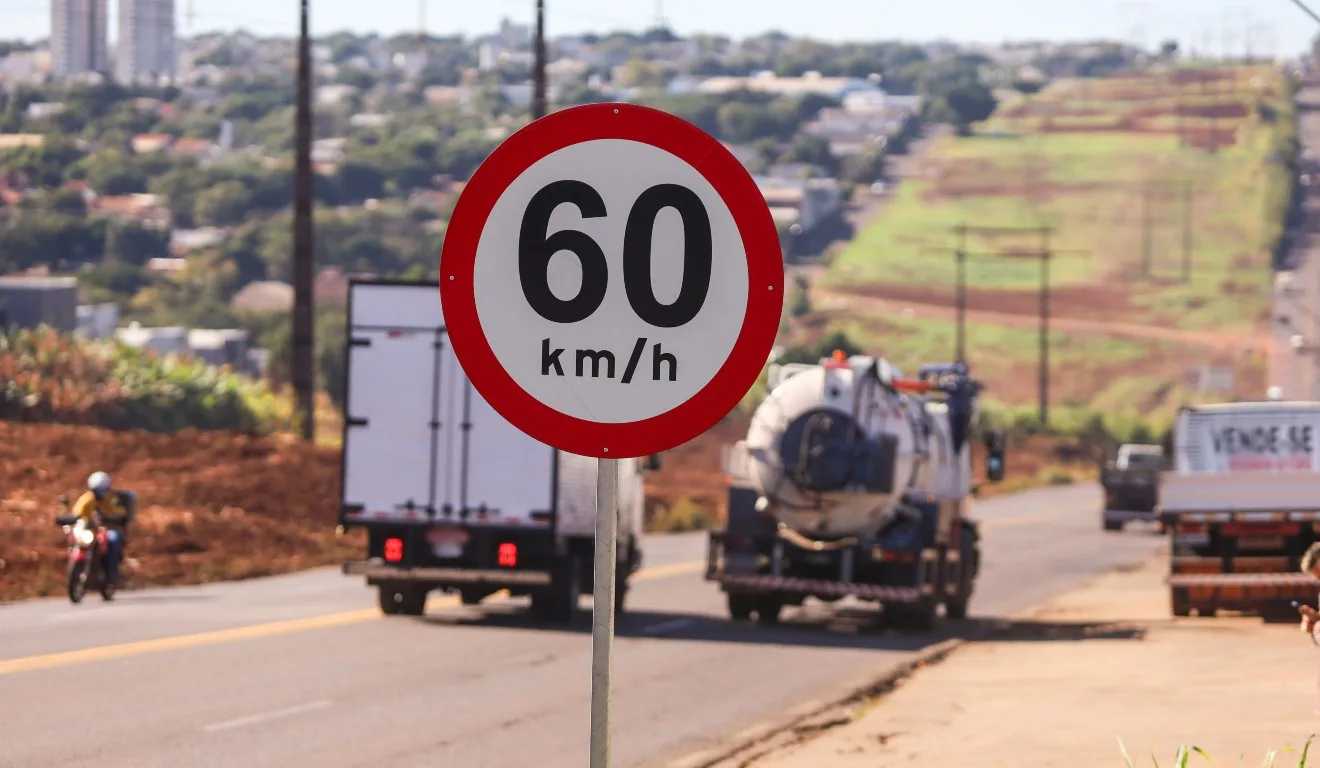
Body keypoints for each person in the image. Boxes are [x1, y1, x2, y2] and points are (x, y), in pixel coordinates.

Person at [71, 471, 129, 588]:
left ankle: (110, 576)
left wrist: (108, 518)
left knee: (113, 541)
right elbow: (76, 512)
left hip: (108, 530)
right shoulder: (87, 499)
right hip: (91, 530)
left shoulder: (112, 499)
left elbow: (121, 514)